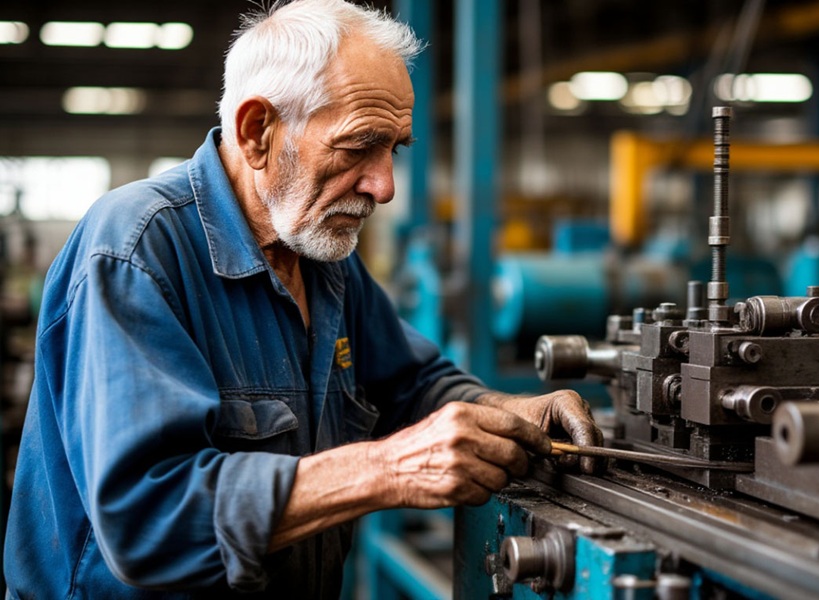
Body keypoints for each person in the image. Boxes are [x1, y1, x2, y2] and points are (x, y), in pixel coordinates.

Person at [3, 0, 603, 597]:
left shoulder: (319, 253)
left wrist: (506, 411)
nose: (385, 186)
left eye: (394, 148)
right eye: (358, 146)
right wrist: (388, 468)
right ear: (257, 131)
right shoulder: (137, 250)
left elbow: (410, 386)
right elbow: (147, 521)